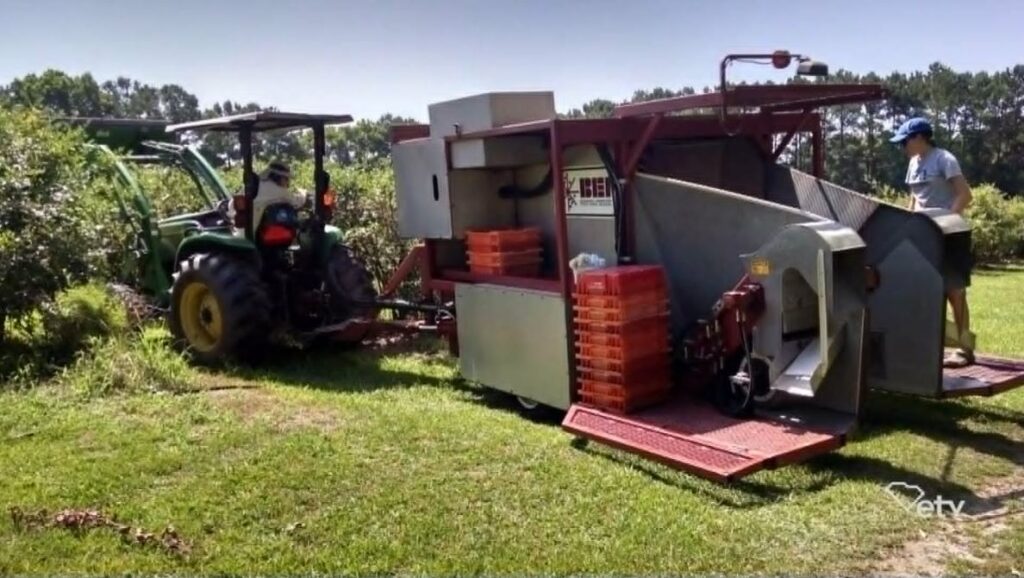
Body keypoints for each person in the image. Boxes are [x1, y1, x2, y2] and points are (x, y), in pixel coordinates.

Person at [890, 117, 975, 367]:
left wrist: (945, 223)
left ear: (919, 138)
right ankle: (928, 346)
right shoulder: (912, 163)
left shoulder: (944, 159)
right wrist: (906, 225)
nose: (902, 146)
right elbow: (915, 199)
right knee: (924, 291)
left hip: (948, 234)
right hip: (921, 234)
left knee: (954, 292)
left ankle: (965, 349)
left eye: (904, 141)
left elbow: (964, 195)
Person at [249, 161, 308, 229]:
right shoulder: (279, 191)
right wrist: (303, 193)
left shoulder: (253, 186)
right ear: (280, 177)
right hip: (258, 233)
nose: (287, 182)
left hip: (244, 233)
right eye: (286, 179)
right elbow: (297, 202)